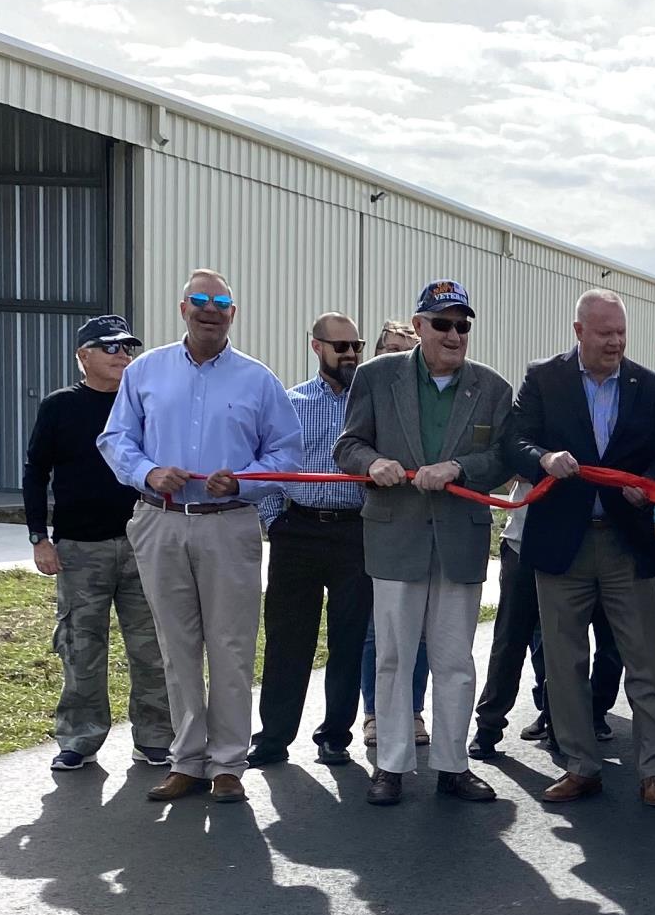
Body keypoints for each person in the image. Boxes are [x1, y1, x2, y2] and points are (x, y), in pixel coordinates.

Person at [98, 271, 302, 803]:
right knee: (177, 647)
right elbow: (116, 437)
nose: (210, 310)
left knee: (231, 647)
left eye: (222, 302)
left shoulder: (258, 380)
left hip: (229, 523)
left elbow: (286, 454)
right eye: (201, 301)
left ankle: (229, 764)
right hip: (160, 520)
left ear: (233, 313)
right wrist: (146, 472)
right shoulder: (146, 370)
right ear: (183, 307)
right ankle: (186, 760)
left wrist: (246, 479)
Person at [332, 280, 511, 805]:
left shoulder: (492, 387)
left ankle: (454, 766)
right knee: (392, 656)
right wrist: (374, 464)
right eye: (443, 324)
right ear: (418, 327)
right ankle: (390, 764)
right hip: (395, 538)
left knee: (455, 660)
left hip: (460, 541)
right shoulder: (375, 377)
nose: (455, 335)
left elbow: (502, 459)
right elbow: (348, 445)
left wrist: (459, 468)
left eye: (463, 325)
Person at [503, 288, 655, 807]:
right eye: (605, 333)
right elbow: (515, 440)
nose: (616, 342)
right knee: (564, 663)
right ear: (579, 331)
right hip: (564, 544)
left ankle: (654, 772)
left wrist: (646, 484)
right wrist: (543, 458)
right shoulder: (544, 377)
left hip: (627, 543)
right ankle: (581, 767)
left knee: (645, 662)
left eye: (622, 333)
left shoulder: (648, 386)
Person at [24, 314, 172, 772]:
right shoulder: (60, 406)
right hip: (80, 548)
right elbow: (35, 473)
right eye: (110, 348)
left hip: (141, 541)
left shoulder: (145, 404)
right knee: (81, 647)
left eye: (128, 348)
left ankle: (154, 737)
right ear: (83, 355)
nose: (122, 356)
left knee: (151, 646)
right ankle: (79, 737)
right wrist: (39, 539)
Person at [248, 313, 373, 769]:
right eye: (339, 346)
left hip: (354, 531)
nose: (350, 354)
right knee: (287, 638)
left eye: (356, 345)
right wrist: (273, 520)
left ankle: (335, 736)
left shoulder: (371, 402)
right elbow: (266, 462)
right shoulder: (291, 402)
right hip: (295, 531)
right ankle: (274, 737)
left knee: (348, 637)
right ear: (316, 347)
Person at [358, 320, 432, 753]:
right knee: (377, 631)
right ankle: (374, 714)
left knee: (418, 630)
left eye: (405, 350)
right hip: (374, 524)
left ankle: (414, 710)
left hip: (418, 526)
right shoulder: (369, 392)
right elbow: (348, 448)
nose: (396, 357)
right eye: (388, 349)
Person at [468, 479, 551, 759]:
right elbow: (508, 465)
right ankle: (488, 726)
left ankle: (559, 721)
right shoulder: (523, 433)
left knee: (562, 641)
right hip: (521, 541)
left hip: (573, 543)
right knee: (509, 638)